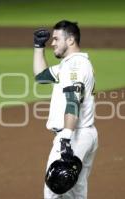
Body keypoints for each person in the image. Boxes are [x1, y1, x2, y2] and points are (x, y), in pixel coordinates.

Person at [33, 20, 98, 199]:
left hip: (74, 135)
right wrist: (39, 47)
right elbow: (41, 77)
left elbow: (73, 102)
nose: (52, 43)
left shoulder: (74, 67)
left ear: (70, 41)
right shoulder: (70, 65)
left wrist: (66, 137)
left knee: (54, 189)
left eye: (56, 39)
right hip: (86, 133)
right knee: (76, 190)